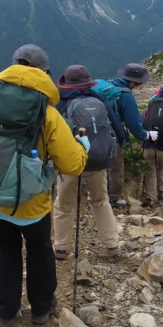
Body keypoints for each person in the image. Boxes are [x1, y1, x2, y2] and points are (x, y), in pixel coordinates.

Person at [0, 44, 88, 327]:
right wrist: (82, 147)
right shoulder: (47, 112)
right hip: (31, 204)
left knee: (5, 250)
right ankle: (41, 309)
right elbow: (72, 165)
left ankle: (6, 313)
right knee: (40, 249)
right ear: (45, 73)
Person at [52, 65, 125, 259]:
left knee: (64, 205)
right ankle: (112, 245)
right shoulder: (100, 101)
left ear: (66, 85)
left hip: (70, 163)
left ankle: (61, 247)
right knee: (100, 201)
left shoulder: (61, 104)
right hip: (98, 161)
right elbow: (118, 132)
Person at [106, 63, 158, 208]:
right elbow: (133, 123)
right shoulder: (126, 95)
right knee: (116, 168)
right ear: (133, 82)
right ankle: (112, 199)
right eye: (139, 83)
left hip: (94, 131)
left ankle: (94, 193)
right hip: (112, 134)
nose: (139, 86)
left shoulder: (109, 86)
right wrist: (145, 135)